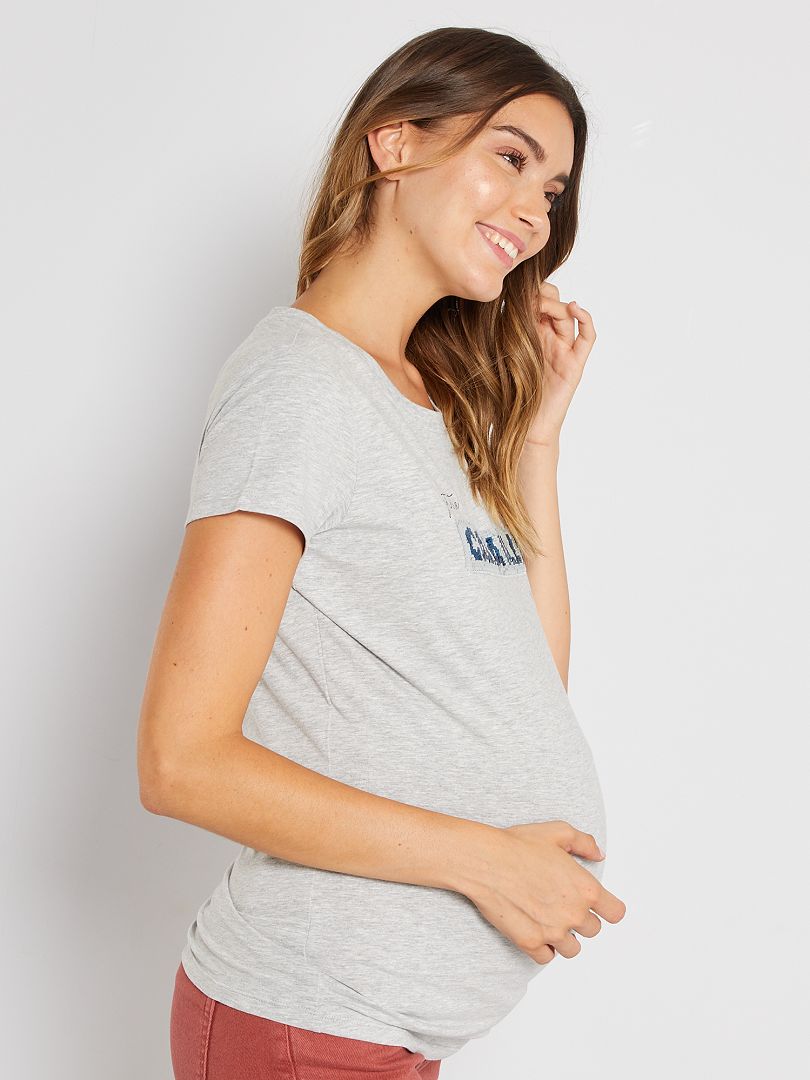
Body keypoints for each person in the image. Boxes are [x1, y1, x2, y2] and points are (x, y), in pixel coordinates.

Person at [137, 24, 627, 1080]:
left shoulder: (424, 402)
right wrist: (487, 863)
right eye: (510, 157)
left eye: (552, 191)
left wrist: (536, 442)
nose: (535, 212)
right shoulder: (300, 389)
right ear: (395, 143)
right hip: (305, 1022)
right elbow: (181, 760)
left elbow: (528, 689)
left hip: (369, 1030)